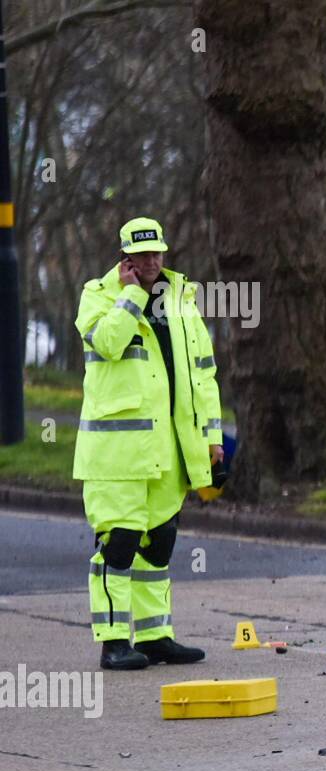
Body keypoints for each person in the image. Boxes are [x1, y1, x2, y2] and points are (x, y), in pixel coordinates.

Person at [75, 217, 224, 670]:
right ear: (125, 258)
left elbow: (202, 373)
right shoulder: (98, 296)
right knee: (118, 546)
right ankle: (115, 641)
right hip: (117, 455)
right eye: (142, 256)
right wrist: (131, 295)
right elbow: (107, 344)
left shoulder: (182, 299)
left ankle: (156, 635)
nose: (152, 261)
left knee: (159, 544)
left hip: (168, 450)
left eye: (157, 253)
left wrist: (212, 438)